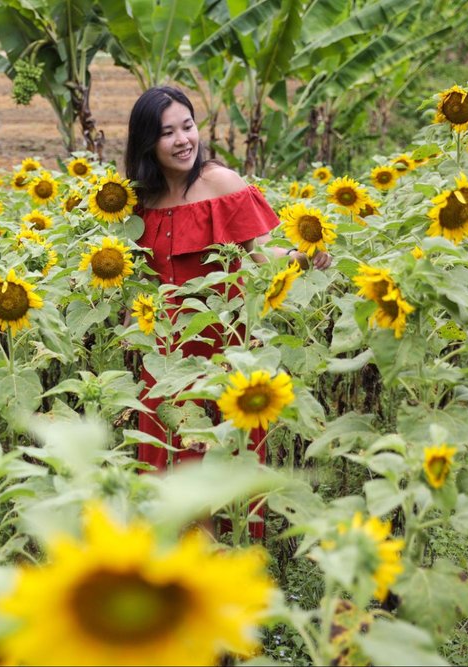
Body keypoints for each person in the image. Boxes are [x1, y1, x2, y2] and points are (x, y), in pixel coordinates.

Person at [125, 86, 331, 537]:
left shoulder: (220, 184)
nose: (183, 140)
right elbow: (138, 281)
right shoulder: (140, 202)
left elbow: (260, 254)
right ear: (147, 143)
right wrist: (132, 340)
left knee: (223, 463)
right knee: (172, 464)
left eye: (188, 126)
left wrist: (301, 254)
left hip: (224, 345)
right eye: (168, 132)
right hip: (167, 354)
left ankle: (229, 568)